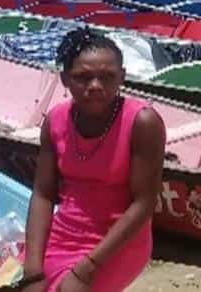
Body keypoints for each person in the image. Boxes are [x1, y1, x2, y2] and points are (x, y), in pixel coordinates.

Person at [20, 29, 165, 292]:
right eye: (83, 77)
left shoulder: (143, 122)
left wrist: (86, 269)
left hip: (119, 240)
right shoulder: (56, 120)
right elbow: (43, 194)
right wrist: (32, 270)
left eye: (107, 77)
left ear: (122, 77)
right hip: (65, 233)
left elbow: (144, 204)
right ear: (64, 79)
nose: (96, 86)